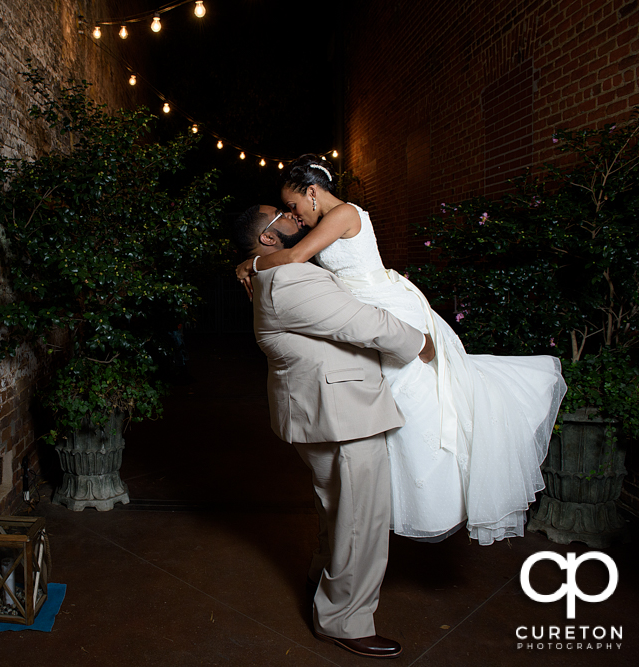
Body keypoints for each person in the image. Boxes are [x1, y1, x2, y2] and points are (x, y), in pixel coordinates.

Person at [236, 154, 567, 546]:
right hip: (366, 305)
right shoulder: (326, 222)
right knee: (390, 401)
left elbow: (294, 257)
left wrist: (250, 264)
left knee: (418, 399)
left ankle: (440, 494)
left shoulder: (343, 213)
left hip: (386, 306)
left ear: (312, 192)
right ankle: (393, 497)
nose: (296, 216)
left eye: (293, 206)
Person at [234, 204, 434, 659]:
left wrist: (247, 263)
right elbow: (364, 324)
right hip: (344, 411)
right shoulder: (289, 279)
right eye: (281, 216)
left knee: (335, 505)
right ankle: (345, 619)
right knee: (363, 517)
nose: (294, 217)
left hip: (322, 407)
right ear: (267, 239)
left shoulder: (273, 271)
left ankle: (322, 573)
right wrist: (420, 344)